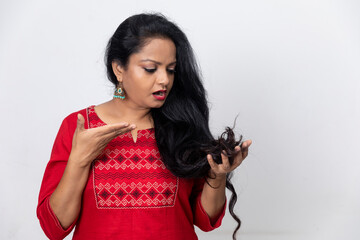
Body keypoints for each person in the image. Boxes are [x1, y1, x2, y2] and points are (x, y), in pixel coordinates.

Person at [37, 13, 252, 240]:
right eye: (151, 68)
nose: (165, 80)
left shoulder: (182, 127)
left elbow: (205, 220)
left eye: (171, 69)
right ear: (119, 69)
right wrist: (79, 160)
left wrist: (217, 176)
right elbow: (54, 228)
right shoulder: (80, 127)